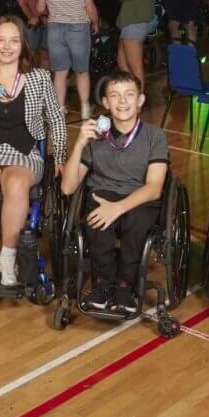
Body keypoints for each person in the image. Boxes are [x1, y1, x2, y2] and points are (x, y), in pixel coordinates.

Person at [0, 15, 67, 285]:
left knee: (16, 183)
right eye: (0, 40)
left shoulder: (39, 78)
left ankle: (8, 257)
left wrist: (61, 156)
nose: (7, 46)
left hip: (25, 151)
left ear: (22, 45)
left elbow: (55, 117)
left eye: (14, 40)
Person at [60, 70, 167, 312]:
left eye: (129, 95)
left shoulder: (155, 136)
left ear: (140, 100)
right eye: (115, 96)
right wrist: (78, 144)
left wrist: (117, 208)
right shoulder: (96, 136)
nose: (122, 101)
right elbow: (67, 187)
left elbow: (154, 187)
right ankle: (102, 284)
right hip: (103, 193)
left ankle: (126, 286)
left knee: (136, 222)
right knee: (97, 218)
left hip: (139, 197)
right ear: (106, 103)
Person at [37, 0, 99, 117]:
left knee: (60, 72)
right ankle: (85, 108)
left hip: (55, 29)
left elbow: (40, 8)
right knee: (81, 71)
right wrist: (95, 22)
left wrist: (53, 13)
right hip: (78, 28)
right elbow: (91, 8)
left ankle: (59, 109)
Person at [114, 0, 159, 92]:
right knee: (122, 61)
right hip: (140, 21)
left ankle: (138, 98)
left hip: (134, 22)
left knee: (135, 65)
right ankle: (132, 92)